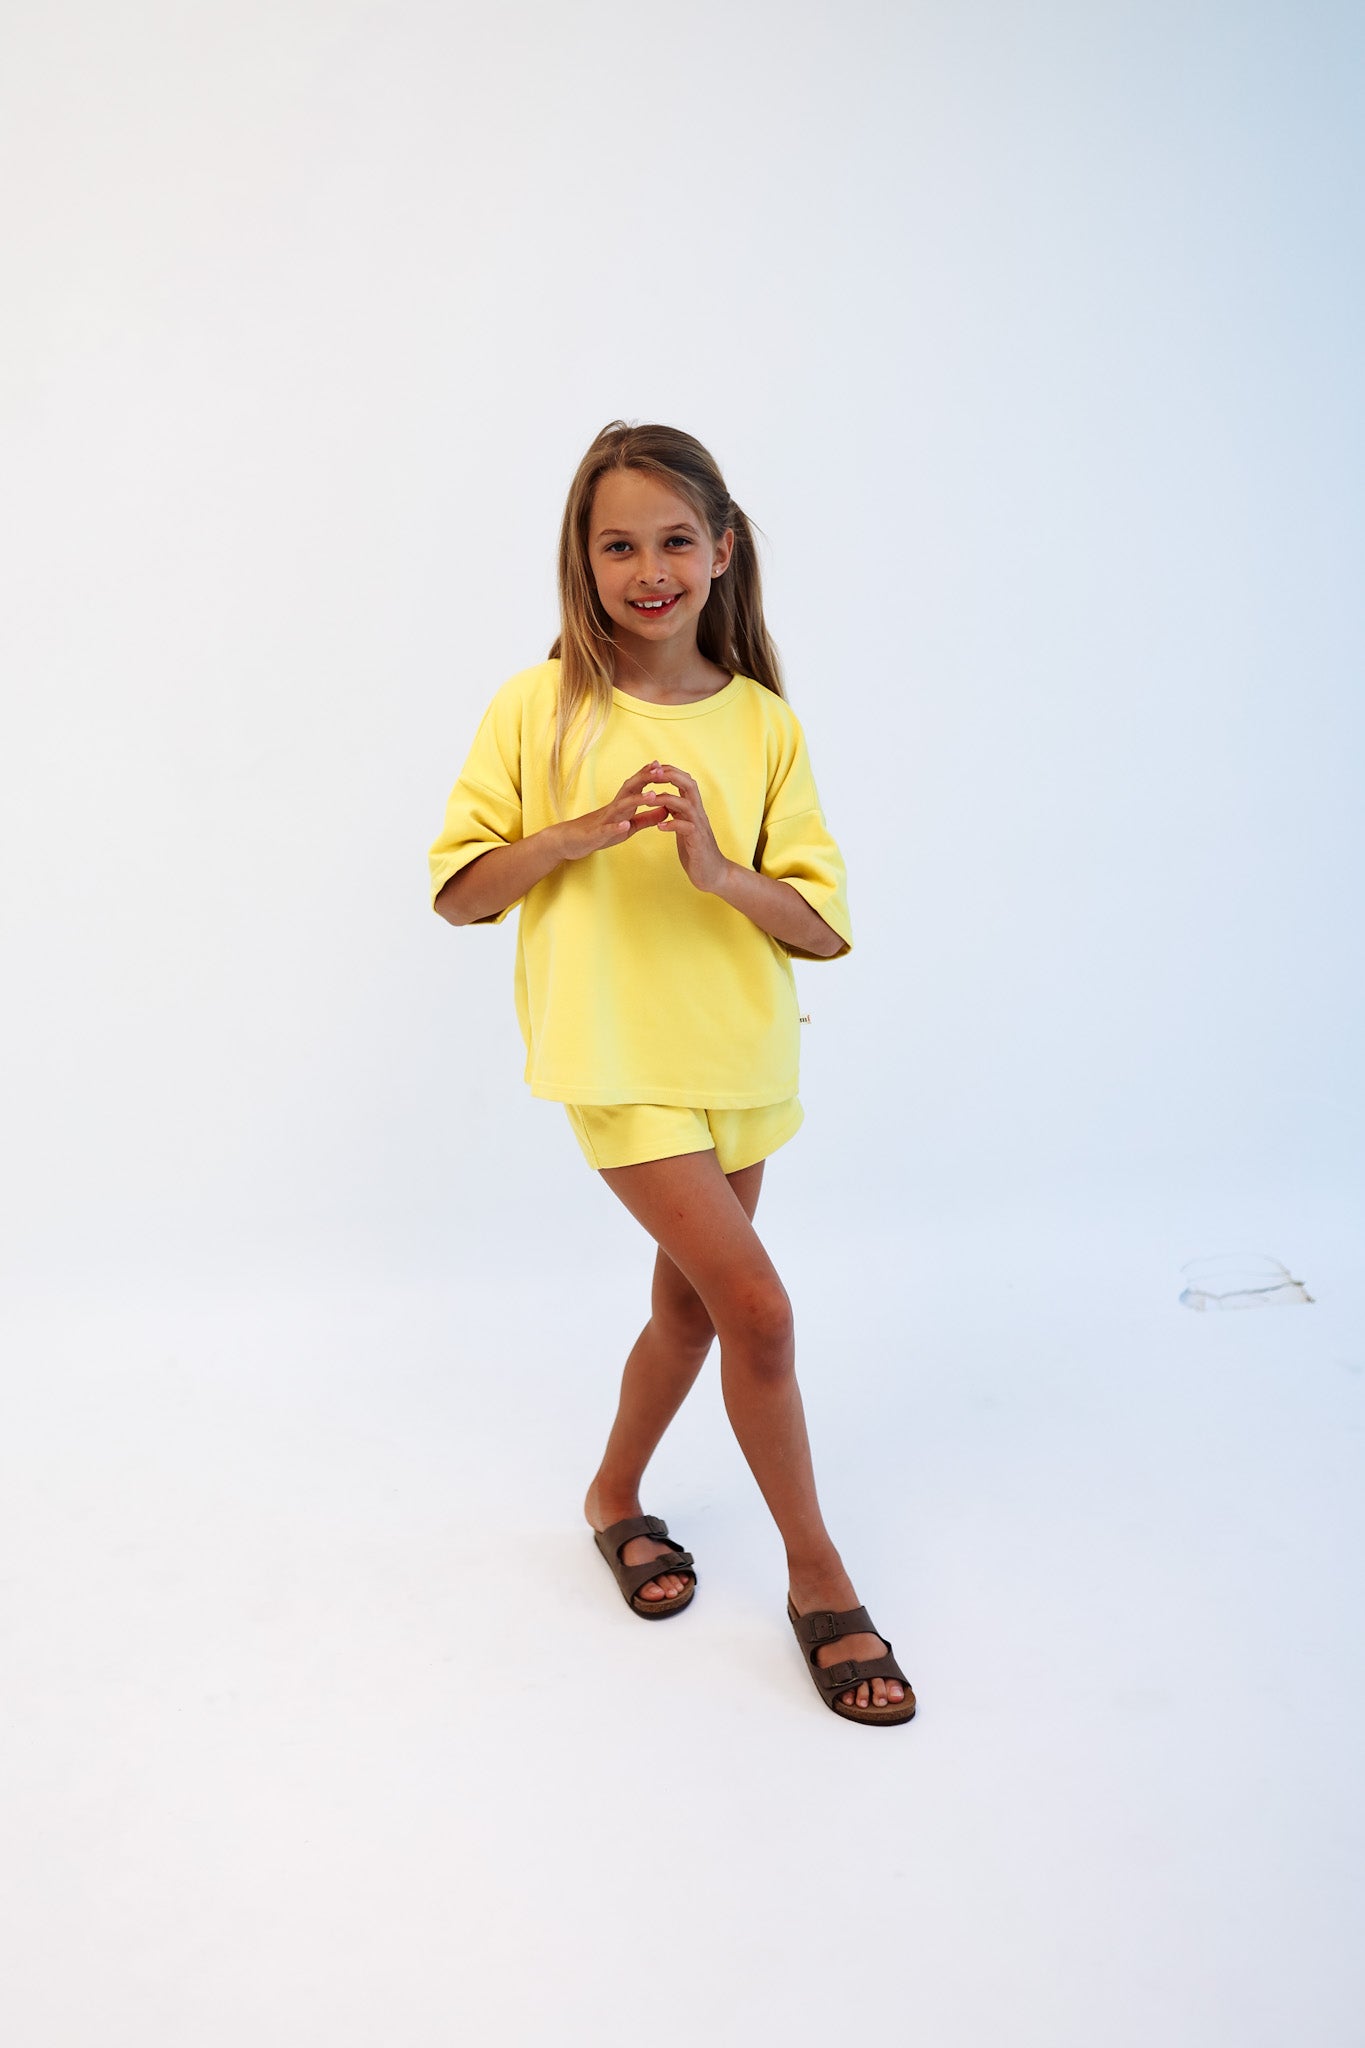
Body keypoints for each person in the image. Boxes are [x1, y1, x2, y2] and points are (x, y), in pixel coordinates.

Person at [428, 420, 915, 1726]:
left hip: (741, 1058)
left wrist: (716, 870)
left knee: (693, 1315)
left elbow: (822, 927)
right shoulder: (535, 708)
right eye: (618, 546)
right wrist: (573, 835)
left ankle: (611, 1497)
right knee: (760, 1314)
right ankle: (819, 1580)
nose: (649, 570)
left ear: (723, 551)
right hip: (616, 1061)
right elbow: (461, 892)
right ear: (580, 561)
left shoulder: (763, 722)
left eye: (675, 541)